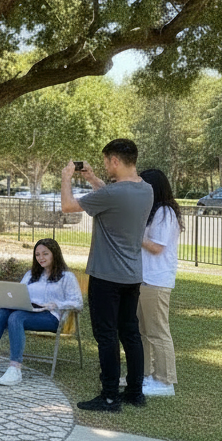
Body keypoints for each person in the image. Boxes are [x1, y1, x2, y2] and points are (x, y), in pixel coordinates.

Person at [61, 139, 153, 412]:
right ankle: (135, 392)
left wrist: (66, 177)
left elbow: (68, 206)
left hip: (106, 275)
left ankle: (110, 396)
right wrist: (92, 178)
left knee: (106, 335)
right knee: (130, 333)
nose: (105, 167)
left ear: (114, 160)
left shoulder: (113, 194)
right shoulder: (146, 189)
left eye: (105, 162)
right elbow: (113, 197)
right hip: (132, 275)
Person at [0, 239, 82, 386]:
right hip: (29, 311)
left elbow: (78, 302)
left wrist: (57, 304)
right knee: (2, 312)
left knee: (16, 317)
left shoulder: (67, 277)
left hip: (52, 317)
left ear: (55, 254)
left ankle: (15, 369)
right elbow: (18, 293)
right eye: (37, 255)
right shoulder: (30, 275)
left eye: (45, 254)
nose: (41, 258)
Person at [138, 168, 182, 397]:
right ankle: (146, 374)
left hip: (156, 280)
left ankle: (165, 381)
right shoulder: (152, 211)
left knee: (157, 331)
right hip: (144, 279)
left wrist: (135, 234)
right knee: (143, 331)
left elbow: (156, 247)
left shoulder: (165, 213)